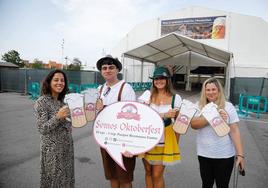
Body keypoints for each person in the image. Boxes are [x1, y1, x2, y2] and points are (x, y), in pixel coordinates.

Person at [191, 78, 245, 188]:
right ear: (204, 91)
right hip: (204, 154)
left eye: (213, 89)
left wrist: (240, 154)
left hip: (225, 155)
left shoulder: (228, 107)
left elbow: (234, 131)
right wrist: (213, 116)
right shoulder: (199, 106)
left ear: (219, 90)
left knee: (222, 185)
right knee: (206, 184)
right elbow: (193, 125)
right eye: (208, 90)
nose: (211, 92)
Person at [95, 55, 136, 188]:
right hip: (106, 139)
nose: (107, 70)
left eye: (111, 67)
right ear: (101, 71)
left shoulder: (126, 88)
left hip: (123, 140)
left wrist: (129, 145)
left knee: (125, 179)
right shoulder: (100, 89)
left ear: (118, 70)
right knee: (112, 176)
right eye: (104, 68)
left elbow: (131, 116)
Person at [138, 66, 182, 188]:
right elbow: (140, 117)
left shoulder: (175, 98)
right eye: (156, 78)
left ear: (168, 80)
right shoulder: (147, 96)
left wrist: (175, 144)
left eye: (162, 78)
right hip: (147, 139)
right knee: (148, 172)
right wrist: (163, 115)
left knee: (157, 174)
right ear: (153, 80)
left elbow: (179, 125)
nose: (159, 81)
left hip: (164, 140)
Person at [34, 69, 75, 188]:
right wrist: (58, 117)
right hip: (52, 151)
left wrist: (70, 124)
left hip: (67, 147)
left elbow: (67, 123)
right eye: (56, 80)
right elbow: (42, 129)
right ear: (49, 82)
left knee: (67, 179)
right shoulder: (42, 102)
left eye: (62, 80)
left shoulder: (63, 102)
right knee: (54, 181)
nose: (60, 83)